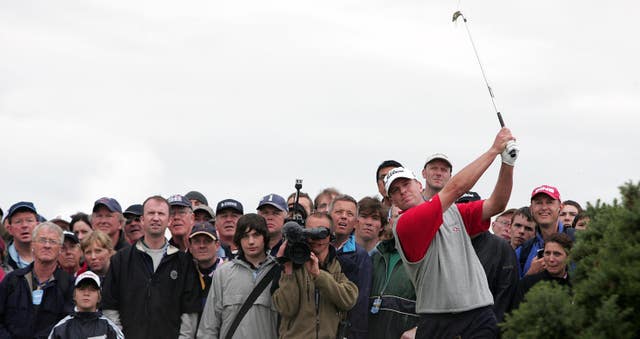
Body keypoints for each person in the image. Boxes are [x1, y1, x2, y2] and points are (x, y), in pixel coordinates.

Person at [386, 127, 518, 338]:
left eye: (405, 184)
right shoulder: (404, 224)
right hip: (437, 319)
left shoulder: (454, 212)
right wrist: (493, 150)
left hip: (478, 313)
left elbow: (497, 204)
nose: (402, 191)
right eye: (394, 190)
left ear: (418, 185)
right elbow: (454, 189)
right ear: (391, 200)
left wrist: (508, 163)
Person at [101, 195, 200, 338]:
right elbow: (110, 306)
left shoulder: (184, 262)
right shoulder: (121, 259)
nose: (155, 218)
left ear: (169, 220)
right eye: (151, 213)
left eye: (161, 214)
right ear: (142, 219)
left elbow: (189, 311)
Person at [272, 212, 358, 339]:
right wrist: (288, 270)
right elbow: (286, 310)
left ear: (331, 236)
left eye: (321, 233)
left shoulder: (342, 264)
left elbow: (349, 300)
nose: (314, 239)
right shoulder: (290, 264)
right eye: (309, 233)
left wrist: (319, 275)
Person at [196, 214, 279, 339]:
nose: (251, 241)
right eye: (245, 236)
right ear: (239, 240)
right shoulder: (223, 273)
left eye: (256, 235)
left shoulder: (279, 271)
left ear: (265, 237)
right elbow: (209, 326)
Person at [0, 222, 74, 338]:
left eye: (53, 242)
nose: (47, 245)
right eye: (42, 240)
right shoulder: (12, 280)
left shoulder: (69, 284)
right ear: (33, 245)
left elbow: (68, 324)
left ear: (60, 249)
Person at [368, 214, 419, 339]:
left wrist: (419, 329)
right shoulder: (375, 256)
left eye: (408, 214)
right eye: (398, 215)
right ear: (390, 222)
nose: (403, 219)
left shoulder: (427, 256)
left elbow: (444, 305)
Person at [329, 194, 372, 339]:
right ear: (329, 217)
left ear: (355, 223)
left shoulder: (361, 256)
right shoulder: (316, 249)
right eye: (338, 212)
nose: (343, 217)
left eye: (349, 214)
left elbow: (361, 303)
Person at [516, 185, 576, 278]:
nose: (544, 207)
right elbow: (515, 291)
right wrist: (531, 274)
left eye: (549, 202)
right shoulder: (522, 251)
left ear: (560, 207)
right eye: (539, 203)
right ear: (531, 209)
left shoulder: (579, 239)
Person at [48, 271, 124, 339]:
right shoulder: (61, 328)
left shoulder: (109, 328)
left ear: (99, 297)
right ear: (74, 295)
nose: (86, 293)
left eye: (92, 289)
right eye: (82, 289)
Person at [513, 233, 573, 308]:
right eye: (547, 253)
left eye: (557, 254)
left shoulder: (577, 286)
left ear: (568, 257)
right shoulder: (527, 285)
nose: (551, 259)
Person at [188, 221, 224, 314]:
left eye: (207, 241)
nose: (202, 246)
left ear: (217, 245)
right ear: (190, 247)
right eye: (196, 241)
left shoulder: (230, 273)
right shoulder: (186, 275)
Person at [4, 201, 39, 270]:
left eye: (29, 220)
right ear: (10, 229)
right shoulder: (3, 259)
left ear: (38, 226)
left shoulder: (52, 257)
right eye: (18, 221)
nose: (24, 225)